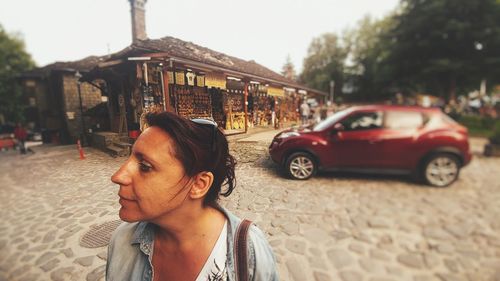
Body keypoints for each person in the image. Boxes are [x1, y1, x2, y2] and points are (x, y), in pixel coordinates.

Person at [107, 112, 278, 281]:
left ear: (199, 184)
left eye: (145, 166)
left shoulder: (248, 253)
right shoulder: (123, 241)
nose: (118, 176)